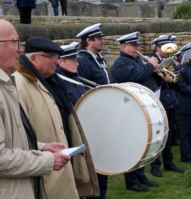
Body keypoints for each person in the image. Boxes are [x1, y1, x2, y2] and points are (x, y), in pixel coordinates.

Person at [12, 36, 99, 199]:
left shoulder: (53, 80)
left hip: (62, 158)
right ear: (33, 58)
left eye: (57, 57)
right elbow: (19, 134)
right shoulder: (19, 84)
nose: (57, 62)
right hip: (43, 167)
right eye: (51, 57)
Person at [0, 19, 73, 199]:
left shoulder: (6, 84)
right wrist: (47, 160)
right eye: (15, 42)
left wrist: (40, 147)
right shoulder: (14, 83)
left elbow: (12, 138)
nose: (20, 49)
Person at [111, 31, 159, 192]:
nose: (137, 48)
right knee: (131, 146)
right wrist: (150, 66)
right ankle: (131, 181)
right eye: (133, 45)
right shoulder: (121, 64)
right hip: (129, 109)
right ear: (124, 47)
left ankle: (140, 176)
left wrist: (155, 72)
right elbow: (135, 76)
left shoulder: (136, 60)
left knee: (141, 145)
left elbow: (145, 76)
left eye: (137, 45)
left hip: (140, 107)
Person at [76, 23, 110, 199]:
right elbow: (82, 90)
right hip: (93, 115)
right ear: (89, 40)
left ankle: (101, 193)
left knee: (102, 155)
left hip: (103, 112)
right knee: (94, 157)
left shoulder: (97, 57)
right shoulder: (83, 60)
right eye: (99, 38)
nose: (103, 41)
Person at [148, 35, 184, 177]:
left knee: (168, 136)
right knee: (158, 137)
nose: (169, 50)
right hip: (158, 102)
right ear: (157, 47)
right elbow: (151, 83)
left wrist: (172, 79)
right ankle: (155, 166)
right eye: (166, 47)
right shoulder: (151, 61)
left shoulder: (170, 60)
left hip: (169, 102)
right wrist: (164, 79)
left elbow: (175, 81)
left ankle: (169, 163)